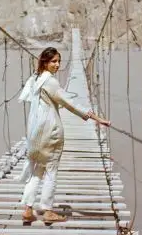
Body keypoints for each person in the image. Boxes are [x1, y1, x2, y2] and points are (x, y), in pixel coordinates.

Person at [18, 47, 110, 223]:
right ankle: (48, 211)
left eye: (59, 61)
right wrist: (97, 118)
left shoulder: (35, 79)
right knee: (51, 170)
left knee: (37, 170)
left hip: (34, 133)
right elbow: (71, 104)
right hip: (49, 132)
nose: (58, 65)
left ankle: (28, 210)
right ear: (44, 62)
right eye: (53, 61)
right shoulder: (50, 82)